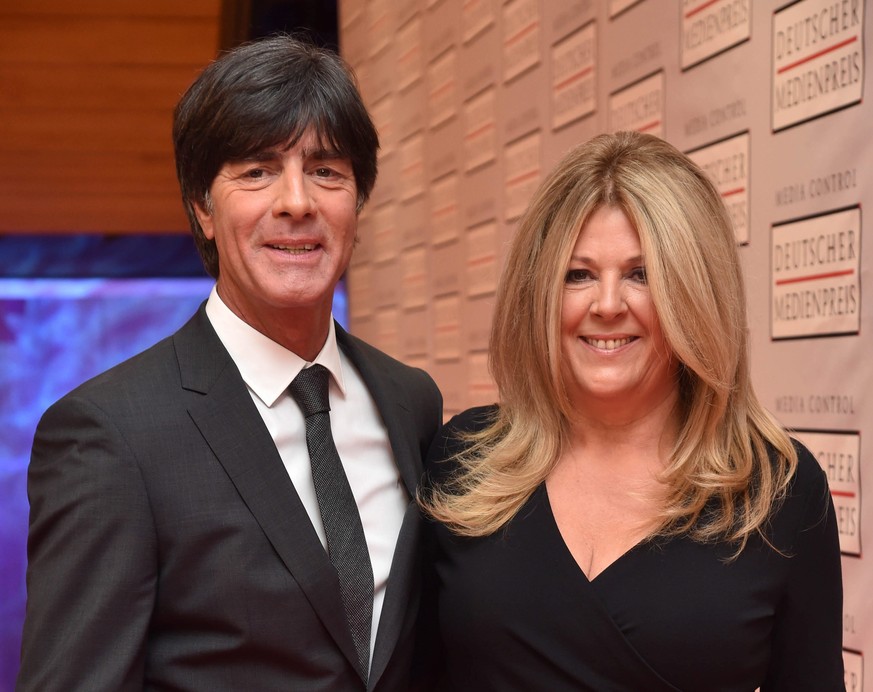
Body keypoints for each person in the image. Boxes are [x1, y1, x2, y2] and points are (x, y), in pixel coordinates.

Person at [18, 35, 442, 691]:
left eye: (327, 171)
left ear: (358, 203)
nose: (296, 202)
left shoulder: (409, 402)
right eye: (256, 171)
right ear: (201, 207)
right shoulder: (109, 436)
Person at [420, 131, 844, 691]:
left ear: (695, 294)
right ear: (540, 292)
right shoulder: (466, 461)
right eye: (579, 274)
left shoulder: (777, 490)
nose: (608, 304)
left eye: (642, 275)